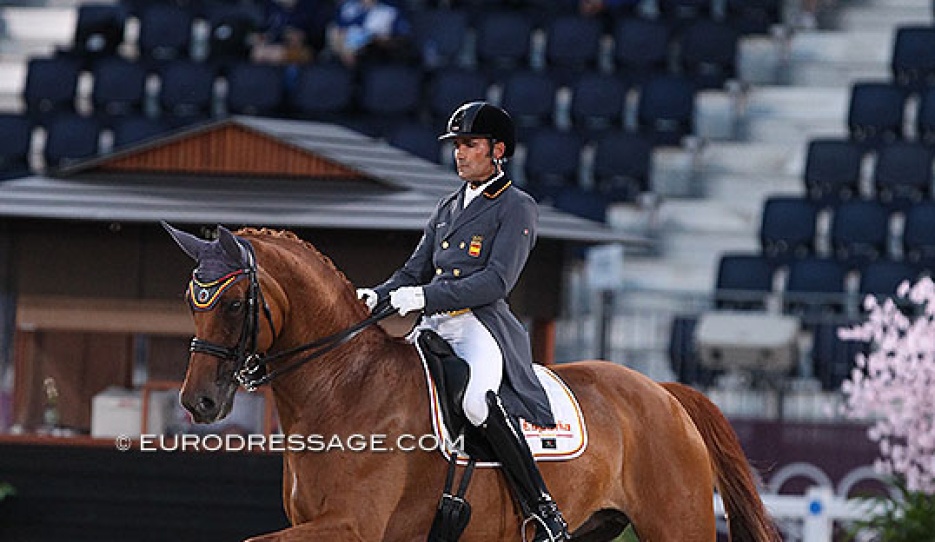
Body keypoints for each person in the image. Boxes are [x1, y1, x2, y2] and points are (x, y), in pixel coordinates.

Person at [356, 102, 570, 542]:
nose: (460, 153)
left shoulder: (515, 206)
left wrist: (424, 296)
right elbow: (412, 271)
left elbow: (496, 281)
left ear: (498, 151)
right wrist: (372, 296)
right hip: (434, 325)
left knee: (475, 401)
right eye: (457, 145)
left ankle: (542, 508)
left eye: (470, 145)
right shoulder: (448, 206)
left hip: (479, 325)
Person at [326, 0, 411, 68]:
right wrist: (342, 48)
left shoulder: (390, 10)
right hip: (345, 59)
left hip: (379, 59)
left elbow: (401, 39)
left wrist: (379, 40)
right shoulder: (348, 7)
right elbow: (337, 30)